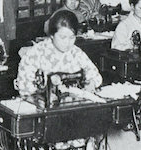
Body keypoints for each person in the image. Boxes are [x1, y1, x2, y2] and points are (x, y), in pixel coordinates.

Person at [15, 9, 102, 150]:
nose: (68, 43)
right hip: (44, 117)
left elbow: (95, 76)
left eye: (72, 37)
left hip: (74, 113)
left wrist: (91, 84)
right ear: (51, 35)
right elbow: (25, 90)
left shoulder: (76, 53)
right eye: (63, 37)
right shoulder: (35, 54)